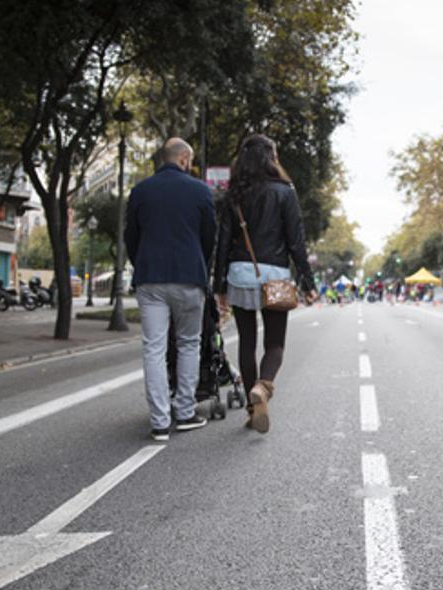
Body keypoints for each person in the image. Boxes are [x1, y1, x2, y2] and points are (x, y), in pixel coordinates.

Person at [213, 134, 318, 433]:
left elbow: (222, 243)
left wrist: (219, 285)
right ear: (272, 158)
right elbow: (296, 241)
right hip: (275, 277)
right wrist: (307, 282)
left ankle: (252, 406)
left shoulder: (235, 194)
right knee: (275, 344)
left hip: (239, 273)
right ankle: (264, 387)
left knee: (246, 343)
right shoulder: (285, 192)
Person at [124, 137, 216, 441]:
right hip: (190, 277)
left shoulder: (140, 191)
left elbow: (131, 237)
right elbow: (209, 237)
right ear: (185, 159)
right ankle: (185, 412)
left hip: (151, 278)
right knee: (189, 343)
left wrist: (144, 263)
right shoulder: (201, 191)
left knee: (154, 347)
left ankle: (160, 421)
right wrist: (199, 264)